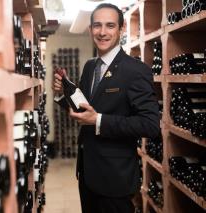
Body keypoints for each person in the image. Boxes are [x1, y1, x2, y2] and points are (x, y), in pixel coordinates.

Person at [52, 3, 160, 213]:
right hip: (87, 173)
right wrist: (61, 93)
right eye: (97, 25)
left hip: (115, 179)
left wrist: (99, 120)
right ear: (90, 28)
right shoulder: (90, 66)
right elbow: (84, 111)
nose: (102, 32)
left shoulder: (136, 70)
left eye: (110, 26)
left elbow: (150, 125)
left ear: (121, 29)